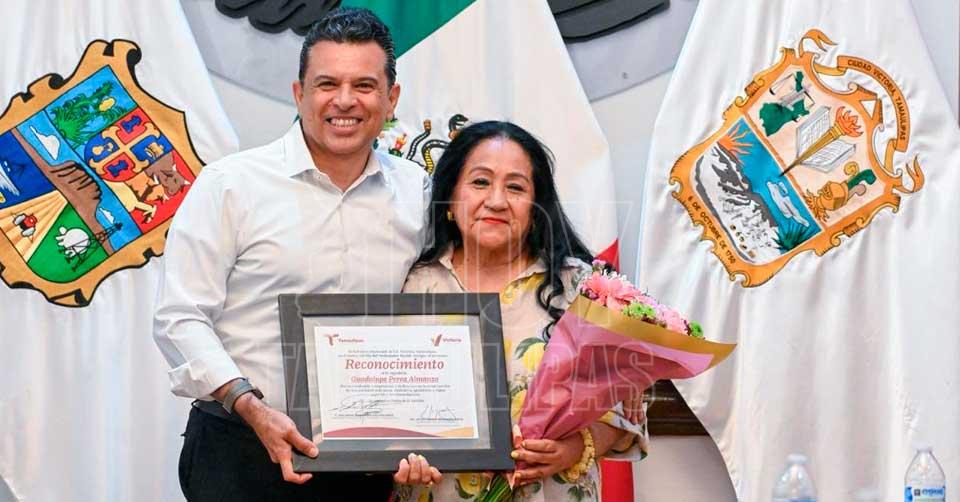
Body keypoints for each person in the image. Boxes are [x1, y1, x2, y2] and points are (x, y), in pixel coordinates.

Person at [153, 8, 438, 501]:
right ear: (298, 93)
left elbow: (434, 305)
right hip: (240, 450)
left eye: (364, 85)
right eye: (327, 84)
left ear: (391, 98)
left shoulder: (417, 190)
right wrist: (250, 405)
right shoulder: (230, 185)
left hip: (364, 460)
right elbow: (180, 316)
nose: (344, 101)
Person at [392, 121, 648, 502]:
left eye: (515, 187)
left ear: (536, 207)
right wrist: (401, 454)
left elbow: (625, 415)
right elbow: (385, 408)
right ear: (450, 199)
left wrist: (576, 447)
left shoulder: (582, 289)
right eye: (480, 182)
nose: (496, 200)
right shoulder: (411, 286)